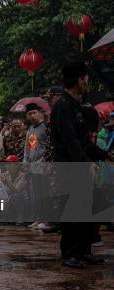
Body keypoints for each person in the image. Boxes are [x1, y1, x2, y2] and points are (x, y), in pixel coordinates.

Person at [50, 62, 110, 269]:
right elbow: (69, 141)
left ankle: (84, 251)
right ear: (79, 80)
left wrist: (105, 155)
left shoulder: (76, 105)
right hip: (69, 166)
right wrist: (85, 163)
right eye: (86, 79)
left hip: (80, 164)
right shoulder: (62, 106)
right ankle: (69, 253)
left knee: (86, 209)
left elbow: (83, 141)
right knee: (72, 211)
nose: (88, 83)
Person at [23, 103, 49, 230]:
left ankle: (46, 219)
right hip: (32, 165)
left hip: (43, 163)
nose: (32, 116)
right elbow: (27, 148)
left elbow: (49, 146)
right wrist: (25, 162)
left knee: (44, 192)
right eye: (29, 114)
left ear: (39, 113)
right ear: (26, 116)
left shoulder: (45, 127)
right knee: (35, 193)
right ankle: (38, 218)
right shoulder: (30, 129)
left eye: (34, 112)